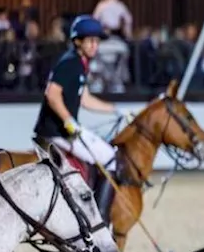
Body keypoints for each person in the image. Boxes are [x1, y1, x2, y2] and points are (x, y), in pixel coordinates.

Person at [32, 15, 131, 235]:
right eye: (90, 41)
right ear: (78, 41)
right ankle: (100, 221)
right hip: (55, 132)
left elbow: (85, 99)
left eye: (97, 41)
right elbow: (52, 94)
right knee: (110, 159)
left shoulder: (80, 64)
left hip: (66, 129)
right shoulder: (70, 63)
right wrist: (68, 120)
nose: (95, 45)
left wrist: (115, 110)